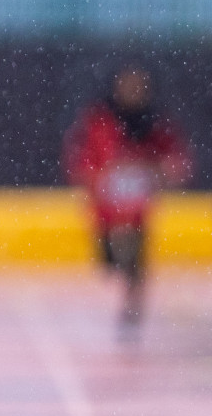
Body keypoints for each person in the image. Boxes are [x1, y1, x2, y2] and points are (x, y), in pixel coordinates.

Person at [65, 66, 193, 336]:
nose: (132, 93)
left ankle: (132, 308)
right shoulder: (100, 119)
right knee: (110, 262)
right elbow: (81, 156)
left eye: (138, 87)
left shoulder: (155, 123)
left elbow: (176, 160)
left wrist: (162, 172)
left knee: (136, 259)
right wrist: (94, 177)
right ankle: (122, 276)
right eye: (127, 86)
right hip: (105, 208)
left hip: (138, 207)